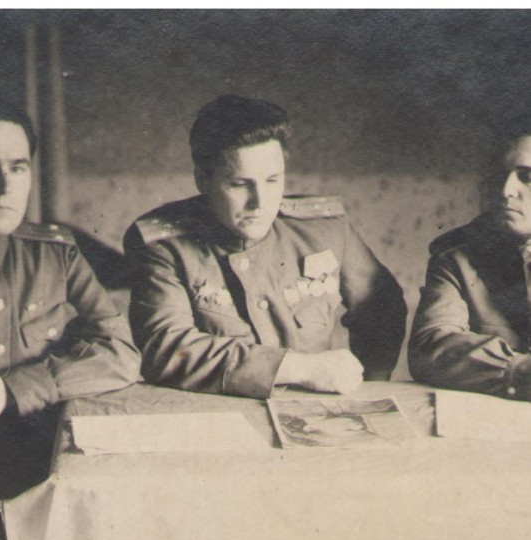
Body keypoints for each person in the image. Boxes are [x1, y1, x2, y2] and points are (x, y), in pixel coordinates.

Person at [125, 94, 406, 399]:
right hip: (217, 414)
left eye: (272, 181)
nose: (260, 203)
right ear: (202, 179)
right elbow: (167, 348)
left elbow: (381, 306)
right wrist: (301, 368)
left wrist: (369, 382)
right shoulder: (165, 246)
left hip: (315, 411)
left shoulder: (325, 229)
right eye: (240, 184)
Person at [0, 97, 140, 540]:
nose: (5, 187)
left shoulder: (54, 254)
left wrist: (10, 390)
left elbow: (120, 352)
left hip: (31, 472)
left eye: (18, 168)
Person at [409, 114, 531, 401]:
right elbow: (430, 346)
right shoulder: (457, 254)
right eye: (500, 176)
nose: (506, 191)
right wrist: (518, 370)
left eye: (527, 177)